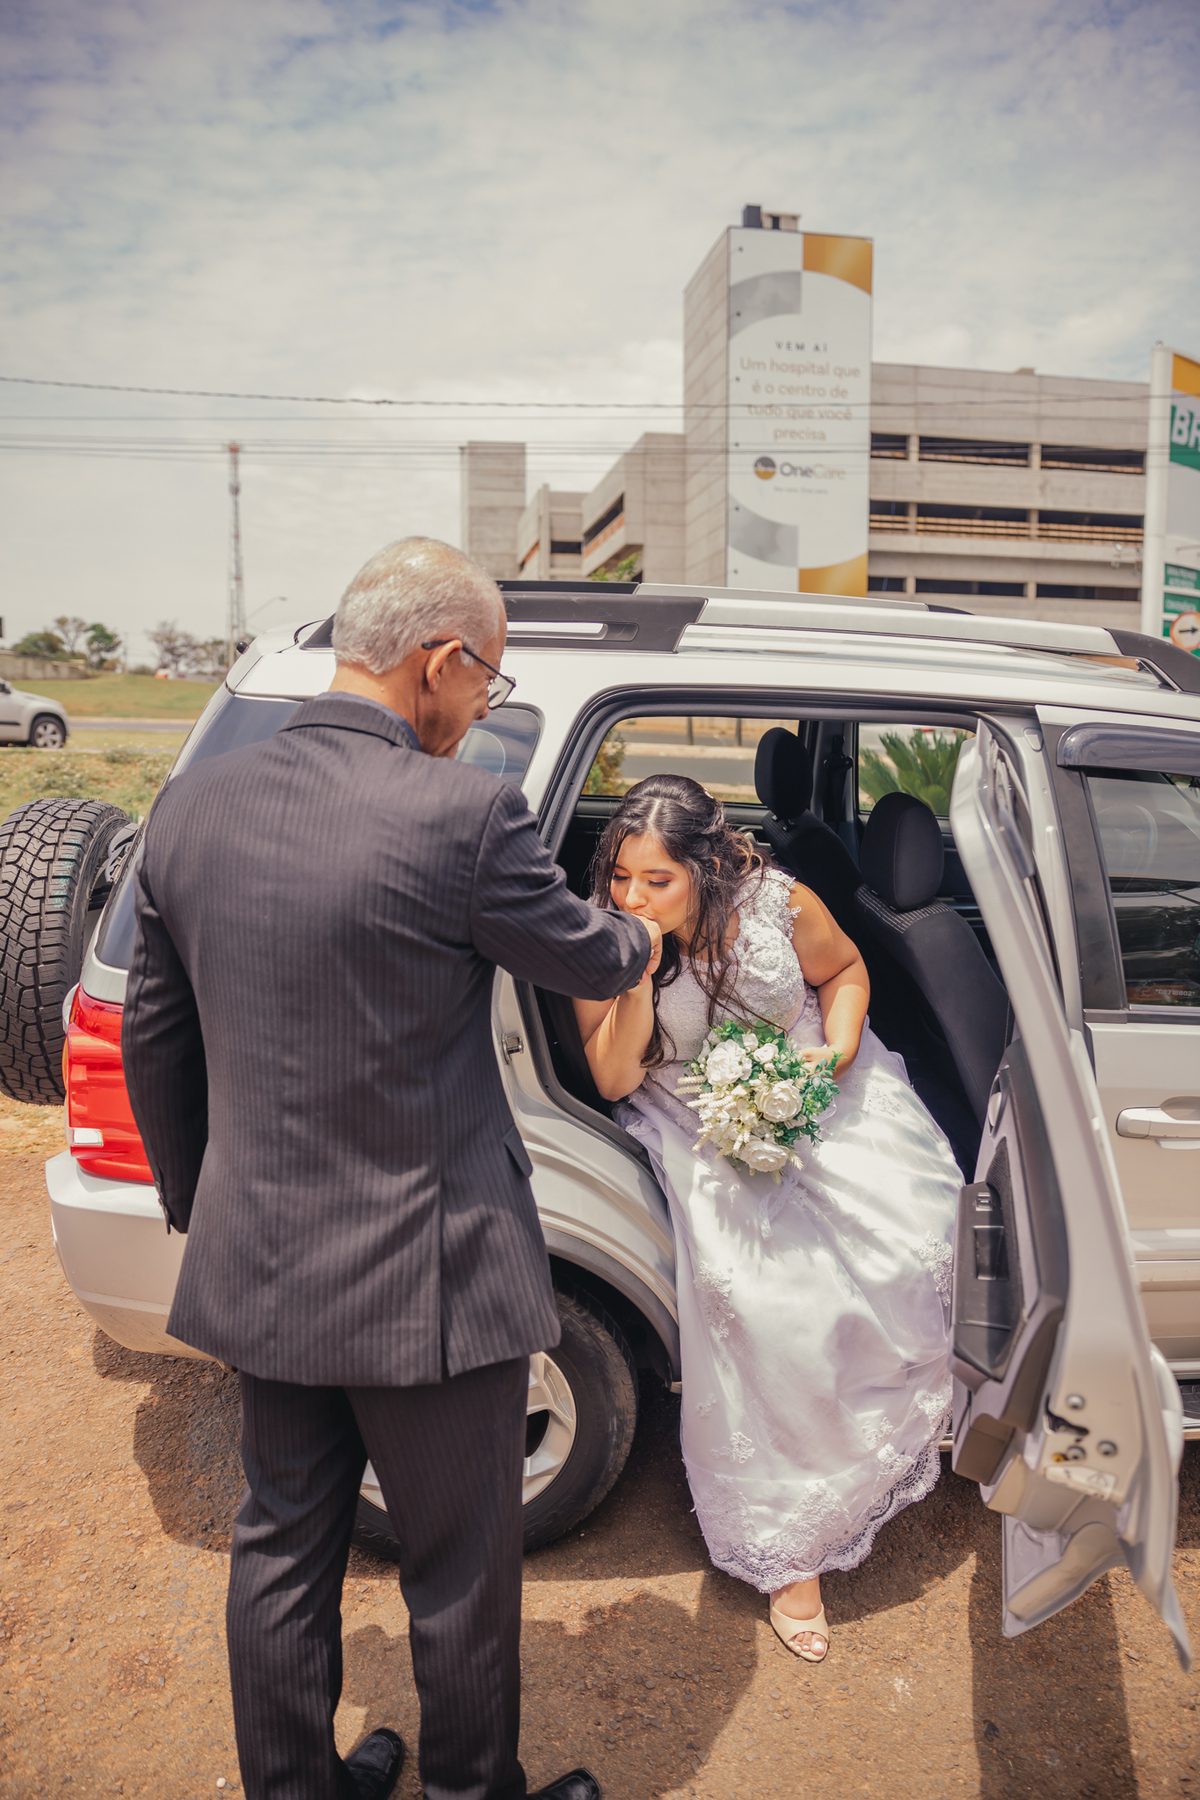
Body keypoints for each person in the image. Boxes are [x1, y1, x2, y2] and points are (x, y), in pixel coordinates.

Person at [122, 538, 662, 1800]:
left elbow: (155, 1033)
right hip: (432, 1277)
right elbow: (586, 959)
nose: (484, 706)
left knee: (280, 1545)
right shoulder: (463, 813)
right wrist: (647, 931)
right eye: (490, 681)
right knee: (459, 1565)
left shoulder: (191, 806)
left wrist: (205, 1205)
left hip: (262, 1260)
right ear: (440, 659)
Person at [573, 774, 958, 1665]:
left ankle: (901, 1421)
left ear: (708, 868)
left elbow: (845, 972)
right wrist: (636, 975)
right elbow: (615, 1077)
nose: (633, 897)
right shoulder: (601, 935)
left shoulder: (782, 903)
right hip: (695, 1116)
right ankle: (794, 1547)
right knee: (769, 1303)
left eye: (656, 880)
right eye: (621, 876)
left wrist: (836, 1053)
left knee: (918, 1245)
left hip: (814, 1086)